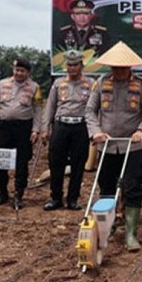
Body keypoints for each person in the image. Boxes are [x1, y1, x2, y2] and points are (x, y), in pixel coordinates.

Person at [86, 41, 142, 251]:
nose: (118, 71)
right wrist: (95, 131)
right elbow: (90, 110)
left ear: (130, 67)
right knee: (106, 187)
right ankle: (107, 227)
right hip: (107, 145)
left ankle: (131, 233)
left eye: (122, 67)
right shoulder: (100, 83)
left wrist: (141, 130)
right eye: (114, 67)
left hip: (132, 146)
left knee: (133, 187)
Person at [41, 50, 94, 211]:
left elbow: (94, 108)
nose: (72, 68)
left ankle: (73, 199)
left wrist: (93, 130)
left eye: (75, 65)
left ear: (81, 65)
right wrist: (45, 128)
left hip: (81, 126)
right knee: (56, 162)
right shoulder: (58, 83)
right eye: (69, 65)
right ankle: (56, 197)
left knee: (78, 164)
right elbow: (50, 107)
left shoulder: (91, 84)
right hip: (61, 126)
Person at [0, 58, 43, 209]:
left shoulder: (34, 87)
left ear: (28, 72)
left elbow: (38, 110)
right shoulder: (1, 84)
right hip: (5, 128)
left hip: (24, 129)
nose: (18, 73)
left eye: (22, 71)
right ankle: (3, 193)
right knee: (2, 161)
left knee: (22, 163)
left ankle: (18, 195)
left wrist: (36, 129)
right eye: (16, 70)